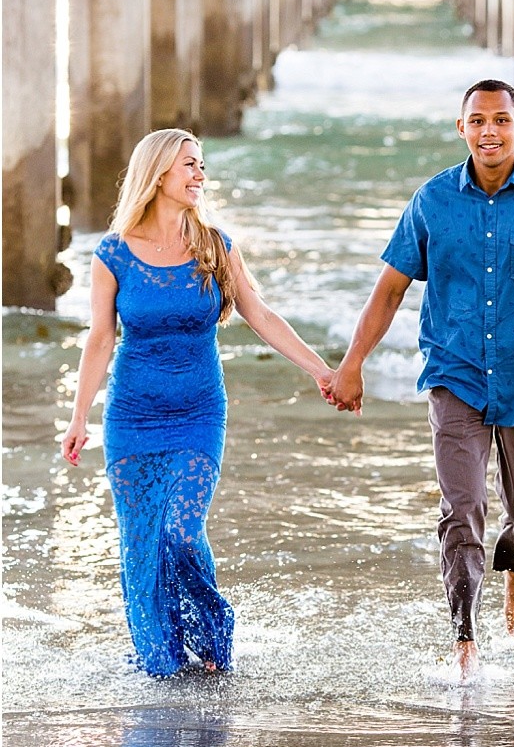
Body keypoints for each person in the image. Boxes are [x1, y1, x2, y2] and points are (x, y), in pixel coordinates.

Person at [328, 80, 514, 680]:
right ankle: (465, 637)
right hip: (455, 376)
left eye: (501, 120)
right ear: (461, 129)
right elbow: (390, 292)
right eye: (476, 120)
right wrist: (352, 364)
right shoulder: (431, 203)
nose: (489, 131)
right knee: (463, 507)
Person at [61, 128, 333, 678]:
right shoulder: (112, 253)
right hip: (132, 422)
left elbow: (261, 315)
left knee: (180, 534)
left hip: (197, 416)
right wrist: (79, 417)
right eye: (190, 165)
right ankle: (162, 659)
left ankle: (211, 635)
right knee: (143, 547)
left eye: (201, 166)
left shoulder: (216, 244)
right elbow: (99, 338)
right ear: (159, 171)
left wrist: (322, 370)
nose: (200, 176)